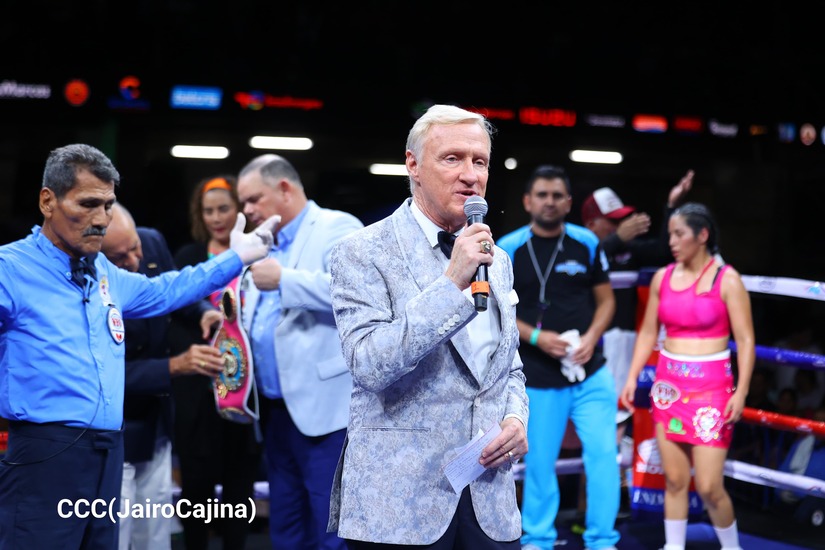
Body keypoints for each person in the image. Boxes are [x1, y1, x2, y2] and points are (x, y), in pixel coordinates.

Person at [0, 143, 276, 549]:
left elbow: (168, 290)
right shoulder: (10, 269)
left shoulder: (103, 272)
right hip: (45, 453)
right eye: (88, 204)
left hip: (110, 450)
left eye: (108, 205)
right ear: (48, 201)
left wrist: (236, 258)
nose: (101, 219)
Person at [328, 104, 528, 549]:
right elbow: (369, 365)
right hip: (398, 505)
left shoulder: (497, 260)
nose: (470, 175)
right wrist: (450, 283)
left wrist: (516, 418)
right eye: (452, 158)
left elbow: (508, 367)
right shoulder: (361, 251)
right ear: (413, 165)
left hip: (488, 498)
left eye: (480, 162)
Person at [236, 153, 364, 550]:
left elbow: (357, 291)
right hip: (274, 408)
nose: (247, 210)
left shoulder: (337, 226)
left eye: (253, 199)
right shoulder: (263, 241)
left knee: (329, 527)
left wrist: (285, 279)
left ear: (284, 189)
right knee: (286, 525)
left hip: (326, 410)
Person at [619, 202, 755, 550]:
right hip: (668, 387)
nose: (672, 242)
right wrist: (632, 377)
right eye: (670, 235)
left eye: (679, 234)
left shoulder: (728, 279)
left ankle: (733, 548)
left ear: (702, 235)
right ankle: (673, 546)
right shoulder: (663, 277)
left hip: (712, 390)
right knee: (676, 480)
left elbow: (745, 340)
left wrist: (741, 392)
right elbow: (649, 332)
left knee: (709, 486)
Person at [498, 164, 620, 550]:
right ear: (527, 201)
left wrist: (592, 338)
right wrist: (536, 336)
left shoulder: (586, 242)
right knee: (539, 464)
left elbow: (606, 301)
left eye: (556, 196)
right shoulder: (508, 247)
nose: (549, 202)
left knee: (604, 457)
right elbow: (496, 309)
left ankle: (602, 540)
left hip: (590, 372)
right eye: (542, 195)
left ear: (568, 203)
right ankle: (538, 539)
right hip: (537, 374)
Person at [101, 203, 225, 550]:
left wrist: (203, 311)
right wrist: (173, 366)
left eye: (135, 248)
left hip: (156, 425)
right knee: (116, 536)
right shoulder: (85, 278)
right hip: (113, 431)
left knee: (155, 535)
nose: (134, 260)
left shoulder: (152, 241)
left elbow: (173, 294)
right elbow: (102, 371)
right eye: (120, 256)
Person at [169, 175, 263, 550]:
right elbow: (176, 301)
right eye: (208, 211)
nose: (216, 218)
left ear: (239, 211)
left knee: (239, 490)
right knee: (196, 489)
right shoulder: (188, 257)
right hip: (197, 396)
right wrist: (202, 314)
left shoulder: (256, 257)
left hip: (244, 393)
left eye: (223, 209)